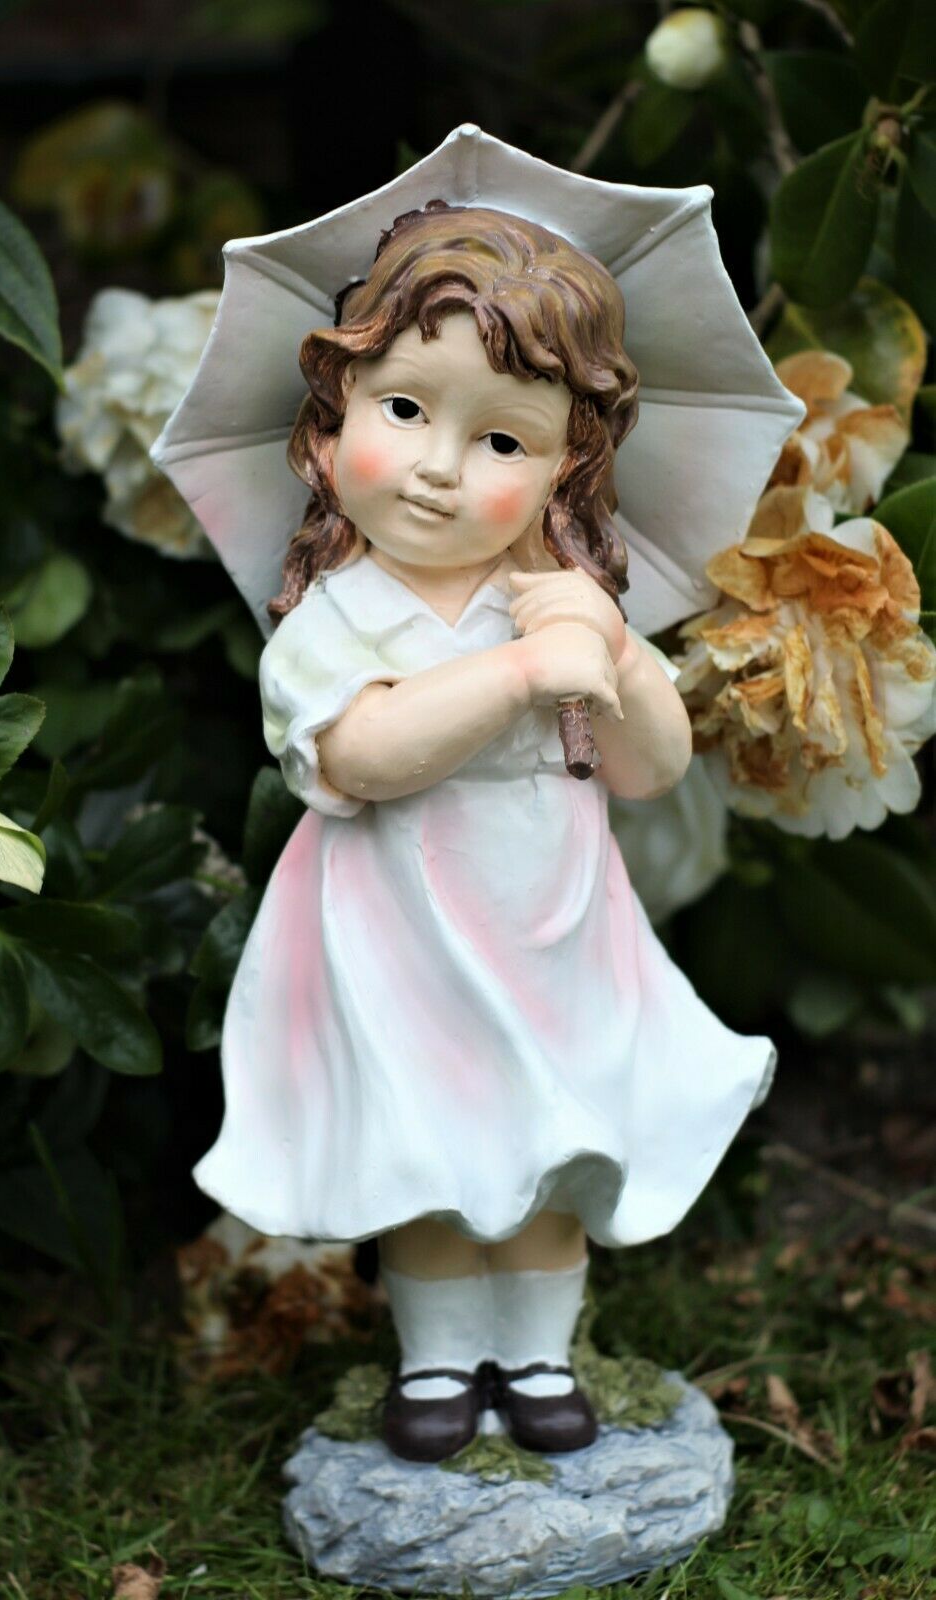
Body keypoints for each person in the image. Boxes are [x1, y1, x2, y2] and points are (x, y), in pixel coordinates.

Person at [193, 203, 775, 1462]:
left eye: (500, 436)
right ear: (340, 398)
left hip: (552, 921)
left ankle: (538, 1354)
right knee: (433, 1151)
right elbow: (361, 757)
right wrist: (520, 677)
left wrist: (608, 650)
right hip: (398, 930)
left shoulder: (561, 597)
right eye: (404, 408)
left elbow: (649, 769)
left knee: (554, 1142)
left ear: (568, 466)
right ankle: (440, 1364)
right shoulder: (337, 619)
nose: (439, 465)